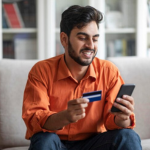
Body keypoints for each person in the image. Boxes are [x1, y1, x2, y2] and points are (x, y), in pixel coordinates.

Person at [22, 5, 142, 150]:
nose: (90, 45)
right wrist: (65, 116)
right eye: (82, 38)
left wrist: (122, 118)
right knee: (44, 140)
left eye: (95, 39)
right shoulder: (41, 71)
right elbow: (34, 119)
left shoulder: (108, 71)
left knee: (128, 136)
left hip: (95, 143)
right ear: (64, 39)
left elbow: (112, 122)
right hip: (56, 142)